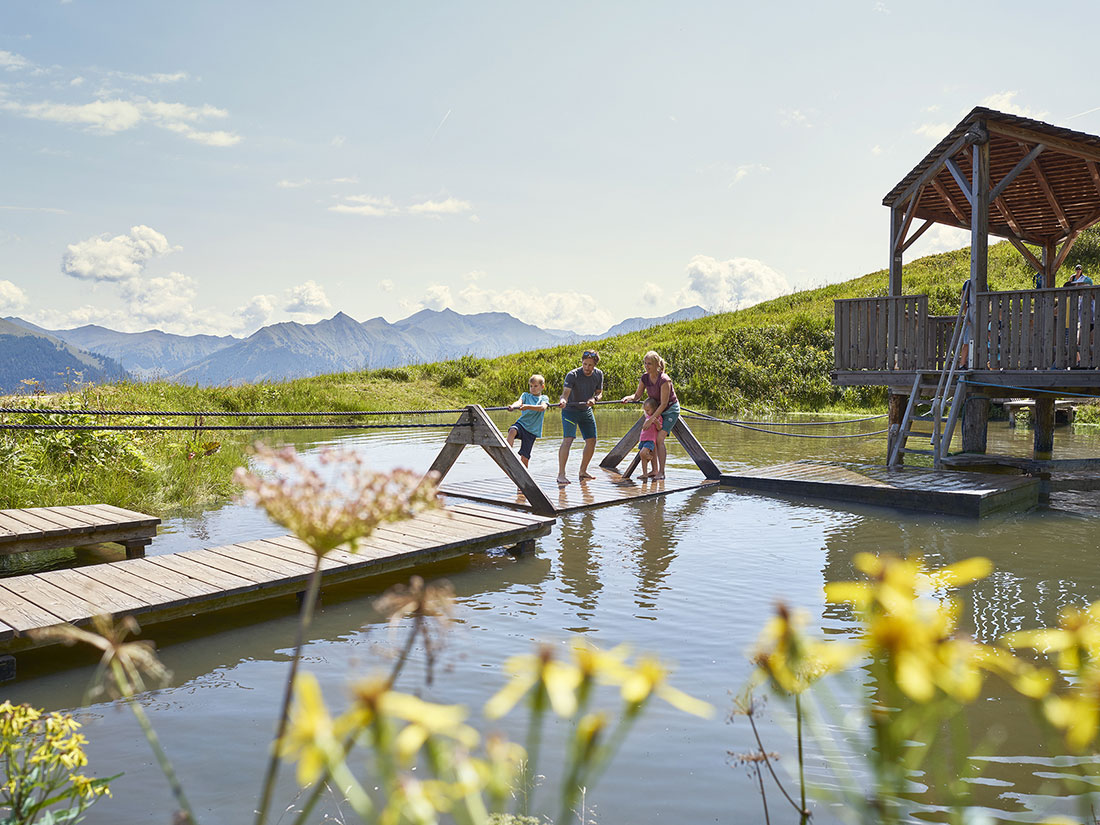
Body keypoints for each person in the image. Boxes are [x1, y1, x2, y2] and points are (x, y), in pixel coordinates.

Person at [620, 350, 679, 480]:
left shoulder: (664, 380)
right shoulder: (645, 378)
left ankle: (662, 472)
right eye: (645, 363)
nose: (647, 366)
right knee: (652, 439)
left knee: (659, 439)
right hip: (656, 408)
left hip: (669, 409)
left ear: (657, 364)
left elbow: (663, 404)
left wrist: (651, 420)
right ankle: (654, 470)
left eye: (650, 364)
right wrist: (628, 398)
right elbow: (637, 396)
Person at [557, 349, 604, 485]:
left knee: (592, 441)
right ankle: (561, 474)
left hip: (586, 410)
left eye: (590, 365)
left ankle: (583, 472)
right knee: (568, 440)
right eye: (585, 364)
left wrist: (594, 399)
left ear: (595, 364)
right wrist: (563, 401)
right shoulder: (572, 375)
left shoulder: (599, 374)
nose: (587, 368)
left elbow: (599, 393)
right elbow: (565, 394)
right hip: (570, 410)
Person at [506, 374, 549, 467]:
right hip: (522, 424)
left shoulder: (544, 398)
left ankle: (524, 477)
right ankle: (507, 454)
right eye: (531, 386)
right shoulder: (525, 395)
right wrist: (513, 406)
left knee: (525, 458)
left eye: (535, 386)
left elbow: (542, 407)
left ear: (542, 387)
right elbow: (519, 402)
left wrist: (528, 407)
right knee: (512, 430)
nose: (533, 388)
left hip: (532, 431)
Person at [626, 397, 662, 480]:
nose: (646, 412)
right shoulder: (647, 416)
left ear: (655, 409)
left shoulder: (657, 417)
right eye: (645, 410)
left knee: (642, 453)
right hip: (643, 440)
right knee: (643, 457)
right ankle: (645, 474)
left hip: (650, 440)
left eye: (648, 410)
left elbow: (660, 428)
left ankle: (650, 457)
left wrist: (657, 423)